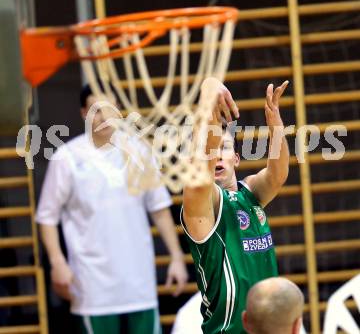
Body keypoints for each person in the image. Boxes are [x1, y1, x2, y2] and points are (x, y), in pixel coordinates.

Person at [36, 85, 188, 334]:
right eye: (96, 110)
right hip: (92, 287)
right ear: (84, 113)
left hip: (139, 284)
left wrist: (176, 257)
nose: (104, 117)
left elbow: (159, 209)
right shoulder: (67, 157)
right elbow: (47, 217)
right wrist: (57, 262)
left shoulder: (140, 151)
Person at [181, 78, 289, 333]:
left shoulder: (250, 193)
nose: (217, 154)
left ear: (236, 159)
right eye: (213, 148)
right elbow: (199, 178)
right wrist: (209, 103)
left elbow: (278, 174)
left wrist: (275, 126)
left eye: (225, 147)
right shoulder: (204, 205)